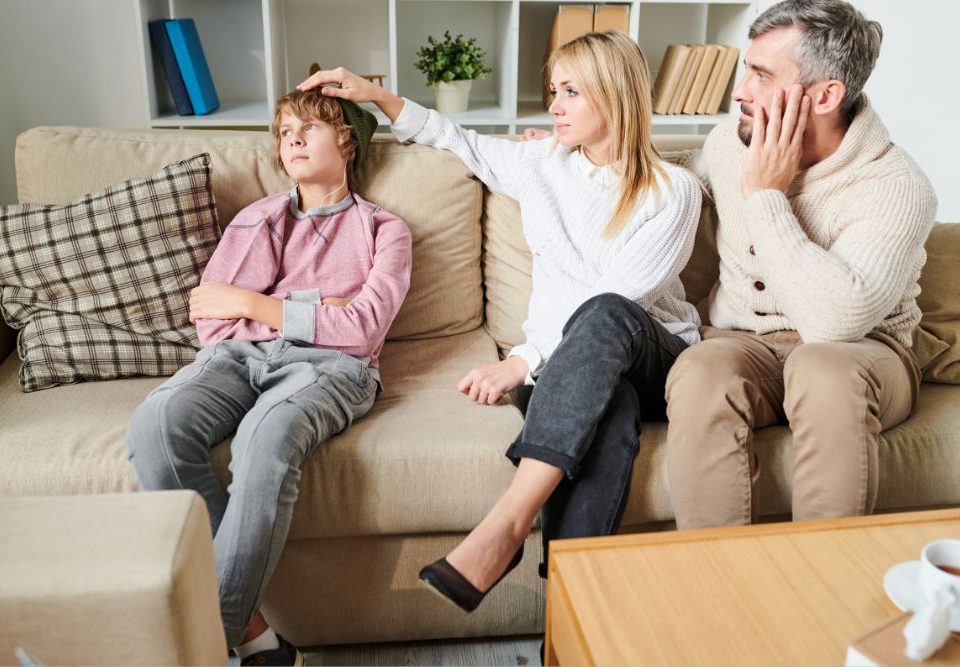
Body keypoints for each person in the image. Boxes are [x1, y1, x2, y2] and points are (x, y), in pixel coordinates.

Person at [298, 30, 702, 612]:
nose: (554, 106)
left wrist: (524, 360)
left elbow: (616, 301)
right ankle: (569, 621)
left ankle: (504, 525)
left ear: (614, 97)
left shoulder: (674, 191)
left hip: (654, 360)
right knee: (606, 414)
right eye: (553, 90)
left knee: (608, 315)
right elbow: (455, 138)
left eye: (571, 92)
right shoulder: (542, 163)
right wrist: (377, 97)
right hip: (581, 376)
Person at [126, 89, 412, 664]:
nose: (295, 139)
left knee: (265, 435)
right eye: (285, 132)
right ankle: (254, 635)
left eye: (310, 127)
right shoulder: (257, 218)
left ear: (348, 141)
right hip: (236, 358)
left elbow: (360, 330)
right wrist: (317, 305)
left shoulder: (386, 230)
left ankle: (206, 638)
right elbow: (210, 315)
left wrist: (257, 303)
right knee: (155, 424)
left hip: (335, 367)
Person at [662, 0, 937, 529]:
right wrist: (580, 149)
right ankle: (714, 582)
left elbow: (836, 323)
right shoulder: (730, 143)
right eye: (747, 69)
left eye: (761, 76)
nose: (739, 92)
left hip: (864, 351)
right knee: (698, 368)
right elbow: (673, 177)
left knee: (821, 368)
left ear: (826, 95)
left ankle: (820, 589)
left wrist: (766, 196)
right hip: (744, 342)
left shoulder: (896, 186)